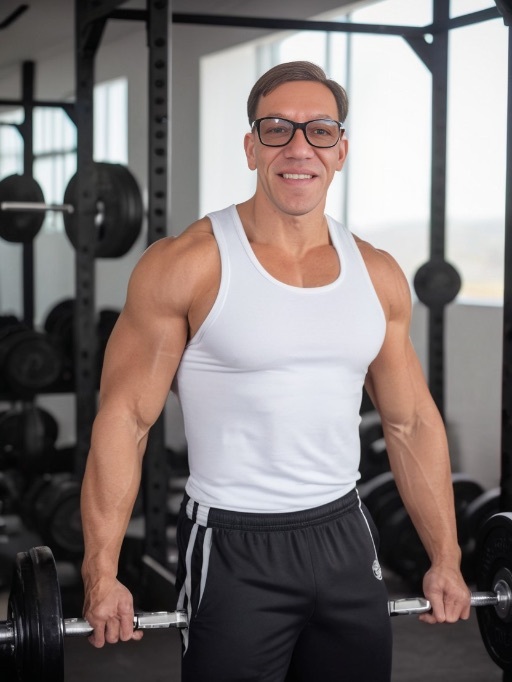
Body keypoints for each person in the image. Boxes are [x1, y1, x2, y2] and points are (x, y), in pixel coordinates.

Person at [80, 61, 471, 682]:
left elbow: (411, 422)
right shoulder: (188, 264)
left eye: (320, 130)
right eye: (277, 129)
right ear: (250, 147)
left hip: (346, 533)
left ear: (340, 152)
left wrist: (445, 556)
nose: (298, 147)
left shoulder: (377, 274)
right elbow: (124, 420)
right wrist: (101, 571)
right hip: (233, 542)